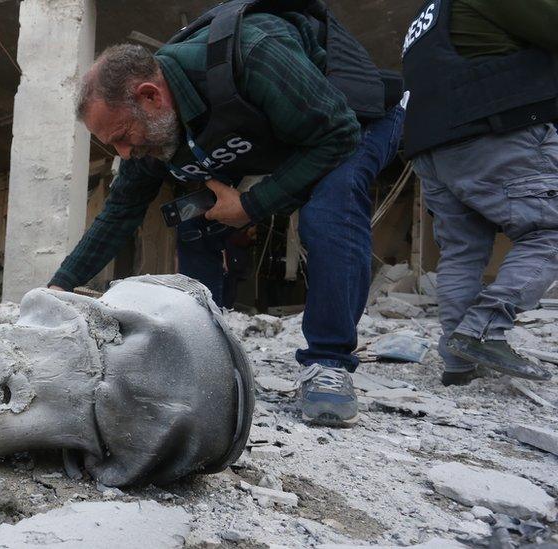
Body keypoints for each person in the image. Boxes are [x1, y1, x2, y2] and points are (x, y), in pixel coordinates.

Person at [48, 0, 406, 427]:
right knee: (195, 219)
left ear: (150, 96)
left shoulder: (254, 53)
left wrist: (251, 206)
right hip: (281, 137)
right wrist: (59, 288)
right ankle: (205, 348)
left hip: (353, 119)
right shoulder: (153, 127)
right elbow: (119, 213)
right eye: (115, 146)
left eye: (124, 137)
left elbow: (337, 135)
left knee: (330, 207)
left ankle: (328, 364)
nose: (126, 154)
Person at [402, 0, 558, 385]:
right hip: (492, 132)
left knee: (462, 248)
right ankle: (483, 331)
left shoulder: (428, 15)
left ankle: (459, 365)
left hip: (431, 146)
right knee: (549, 230)